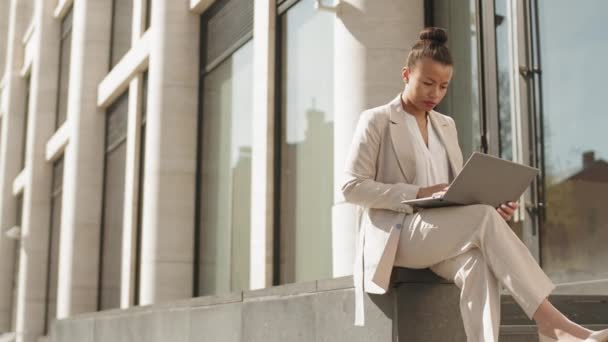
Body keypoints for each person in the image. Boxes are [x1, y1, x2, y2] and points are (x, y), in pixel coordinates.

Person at [341, 26, 608, 342]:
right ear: (405, 74)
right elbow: (352, 187)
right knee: (482, 218)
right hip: (399, 235)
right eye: (427, 83)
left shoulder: (446, 125)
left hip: (441, 229)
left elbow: (457, 189)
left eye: (443, 86)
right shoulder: (377, 120)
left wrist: (494, 206)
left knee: (477, 262)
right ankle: (552, 324)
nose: (435, 94)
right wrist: (417, 193)